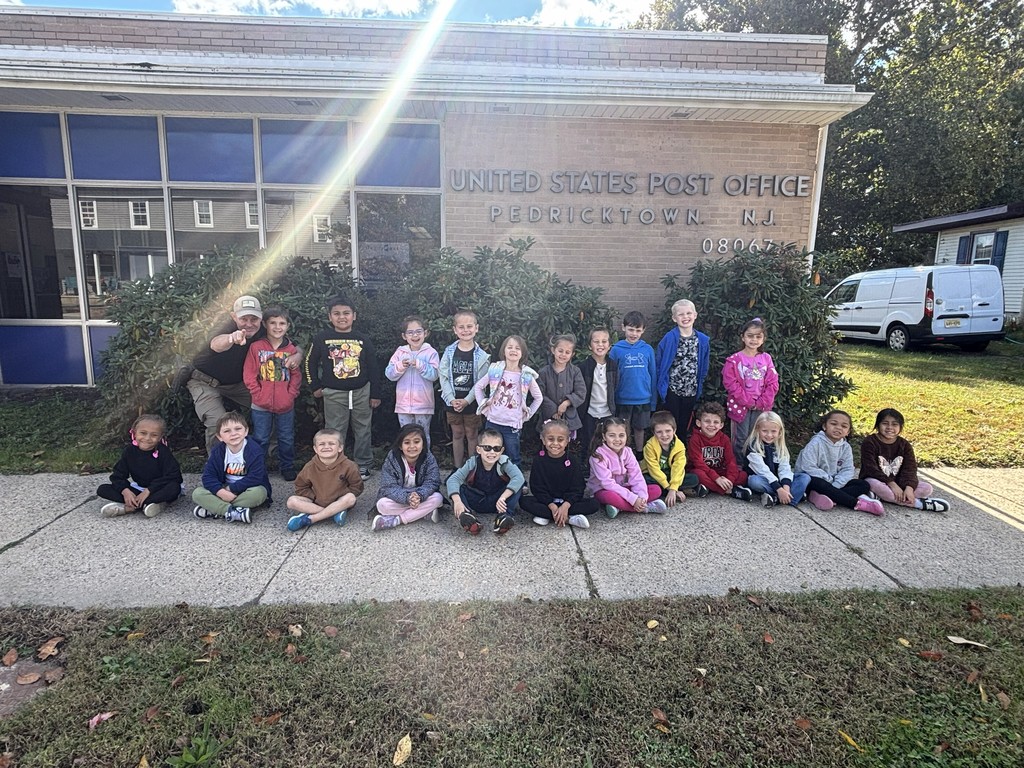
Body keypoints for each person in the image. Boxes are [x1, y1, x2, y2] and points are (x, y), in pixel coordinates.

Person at [187, 295, 302, 451]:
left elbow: (293, 345)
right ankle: (218, 461)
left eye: (253, 319)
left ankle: (270, 453)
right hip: (205, 382)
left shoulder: (264, 329)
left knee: (273, 403)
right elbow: (215, 344)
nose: (248, 324)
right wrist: (231, 338)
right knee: (218, 423)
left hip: (238, 384)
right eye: (243, 319)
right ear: (234, 317)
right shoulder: (223, 326)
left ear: (261, 318)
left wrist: (298, 356)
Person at [304, 295, 381, 480]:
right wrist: (315, 385)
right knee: (335, 431)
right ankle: (334, 465)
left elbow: (373, 367)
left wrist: (375, 393)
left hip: (361, 392)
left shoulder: (362, 339)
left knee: (363, 429)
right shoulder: (322, 338)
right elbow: (309, 362)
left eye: (346, 313)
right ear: (330, 317)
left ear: (354, 316)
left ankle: (363, 465)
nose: (342, 317)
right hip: (334, 393)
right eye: (336, 313)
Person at [243, 306, 301, 481]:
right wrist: (257, 394)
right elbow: (249, 373)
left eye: (282, 323)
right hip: (260, 404)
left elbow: (296, 376)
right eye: (273, 323)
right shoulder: (256, 347)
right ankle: (258, 468)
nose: (277, 327)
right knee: (261, 438)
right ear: (265, 324)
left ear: (288, 326)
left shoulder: (291, 350)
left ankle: (287, 466)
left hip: (286, 404)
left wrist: (291, 395)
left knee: (286, 437)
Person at [795, 409, 885, 515]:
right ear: (824, 426)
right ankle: (856, 503)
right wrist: (829, 480)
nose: (838, 428)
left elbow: (848, 469)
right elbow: (808, 467)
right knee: (819, 483)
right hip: (815, 481)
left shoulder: (846, 447)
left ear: (848, 432)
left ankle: (825, 497)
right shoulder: (815, 443)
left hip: (835, 483)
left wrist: (836, 484)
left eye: (844, 426)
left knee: (863, 485)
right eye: (833, 424)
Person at [859, 408, 950, 512]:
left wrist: (909, 488)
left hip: (899, 482)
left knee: (927, 488)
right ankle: (919, 504)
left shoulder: (904, 445)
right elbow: (871, 469)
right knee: (871, 484)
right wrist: (892, 484)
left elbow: (910, 469)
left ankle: (881, 497)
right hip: (877, 480)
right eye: (885, 423)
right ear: (878, 425)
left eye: (894, 424)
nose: (889, 427)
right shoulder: (870, 442)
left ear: (900, 427)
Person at [473, 335, 542, 466]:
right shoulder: (495, 370)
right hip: (493, 421)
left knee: (513, 457)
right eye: (509, 347)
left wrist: (527, 415)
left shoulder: (526, 375)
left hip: (512, 425)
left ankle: (516, 478)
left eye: (517, 348)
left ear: (522, 353)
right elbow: (478, 387)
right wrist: (483, 406)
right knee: (489, 455)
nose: (513, 350)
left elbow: (538, 397)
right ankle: (492, 477)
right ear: (503, 351)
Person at [98, 414, 183, 518]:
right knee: (102, 489)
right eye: (143, 433)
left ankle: (129, 508)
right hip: (138, 489)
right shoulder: (129, 451)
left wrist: (149, 490)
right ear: (134, 433)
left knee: (174, 488)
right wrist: (125, 491)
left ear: (160, 437)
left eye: (154, 435)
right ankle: (149, 504)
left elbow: (175, 476)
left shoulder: (163, 451)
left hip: (159, 489)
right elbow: (117, 476)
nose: (147, 438)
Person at [192, 412, 271, 523]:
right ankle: (233, 512)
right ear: (220, 437)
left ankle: (215, 509)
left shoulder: (255, 450)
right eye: (227, 431)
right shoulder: (218, 451)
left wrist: (230, 489)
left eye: (238, 429)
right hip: (224, 489)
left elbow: (255, 477)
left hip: (247, 490)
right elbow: (208, 477)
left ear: (246, 431)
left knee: (259, 493)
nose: (233, 434)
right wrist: (220, 492)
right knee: (197, 493)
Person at [520, 419, 599, 528]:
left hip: (568, 502)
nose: (555, 443)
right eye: (550, 439)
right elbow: (537, 488)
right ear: (543, 439)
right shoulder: (539, 460)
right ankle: (568, 519)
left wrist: (566, 505)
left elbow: (578, 488)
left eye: (560, 440)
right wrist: (551, 505)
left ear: (567, 441)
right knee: (524, 501)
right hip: (547, 502)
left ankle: (548, 516)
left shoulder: (572, 460)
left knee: (594, 504)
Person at [446, 428, 525, 535]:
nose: (492, 452)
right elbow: (453, 479)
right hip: (477, 500)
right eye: (487, 448)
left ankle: (505, 517)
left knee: (518, 486)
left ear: (501, 451)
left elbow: (519, 477)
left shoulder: (504, 462)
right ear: (479, 450)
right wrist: (457, 501)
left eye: (496, 448)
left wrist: (503, 497)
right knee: (459, 489)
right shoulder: (472, 463)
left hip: (499, 503)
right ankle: (468, 517)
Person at [586, 416, 668, 517]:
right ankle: (645, 507)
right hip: (602, 490)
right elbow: (607, 484)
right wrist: (633, 499)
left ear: (626, 436)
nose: (617, 439)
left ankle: (620, 507)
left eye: (621, 435)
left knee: (656, 489)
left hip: (623, 487)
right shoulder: (598, 456)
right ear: (604, 436)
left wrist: (642, 497)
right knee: (611, 497)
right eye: (612, 435)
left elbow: (636, 476)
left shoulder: (628, 452)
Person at [439, 310, 490, 468]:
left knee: (472, 434)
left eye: (469, 326)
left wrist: (467, 400)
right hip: (452, 401)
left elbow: (481, 383)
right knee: (457, 434)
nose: (465, 330)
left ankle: (472, 469)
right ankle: (457, 468)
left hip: (472, 402)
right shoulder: (449, 352)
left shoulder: (482, 356)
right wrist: (451, 399)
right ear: (455, 330)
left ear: (476, 328)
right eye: (461, 327)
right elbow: (443, 376)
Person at [723, 318, 779, 462]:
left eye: (758, 336)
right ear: (743, 337)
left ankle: (756, 465)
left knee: (758, 436)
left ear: (763, 339)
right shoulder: (734, 360)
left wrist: (762, 401)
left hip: (761, 407)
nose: (754, 340)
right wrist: (747, 401)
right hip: (740, 406)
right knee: (741, 437)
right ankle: (739, 466)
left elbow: (773, 382)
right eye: (750, 336)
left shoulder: (766, 358)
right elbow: (730, 383)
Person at [286, 428, 363, 531]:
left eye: (331, 443)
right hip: (316, 502)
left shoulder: (349, 466)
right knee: (291, 501)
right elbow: (300, 486)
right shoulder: (310, 467)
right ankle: (333, 513)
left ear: (340, 448)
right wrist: (313, 497)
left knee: (351, 498)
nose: (326, 447)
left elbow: (357, 487)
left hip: (339, 501)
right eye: (322, 444)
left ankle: (311, 519)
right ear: (315, 449)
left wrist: (341, 494)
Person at [655, 299, 710, 441]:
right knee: (671, 422)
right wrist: (662, 386)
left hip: (691, 389)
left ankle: (682, 449)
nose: (685, 317)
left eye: (688, 313)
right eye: (681, 314)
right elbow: (660, 363)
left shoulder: (702, 340)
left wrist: (700, 382)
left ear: (695, 315)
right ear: (674, 318)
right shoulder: (669, 338)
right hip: (672, 389)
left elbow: (704, 364)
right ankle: (668, 448)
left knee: (685, 423)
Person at [372, 424, 444, 531]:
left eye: (416, 442)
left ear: (423, 444)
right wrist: (407, 498)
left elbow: (432, 482)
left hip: (421, 496)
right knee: (382, 505)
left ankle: (396, 520)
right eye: (407, 443)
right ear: (400, 446)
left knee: (438, 498)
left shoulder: (428, 458)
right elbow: (388, 486)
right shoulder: (392, 459)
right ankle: (424, 513)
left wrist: (419, 495)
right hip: (400, 497)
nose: (412, 446)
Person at [384, 315, 440, 449]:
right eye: (410, 332)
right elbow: (389, 374)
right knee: (406, 435)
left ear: (426, 333)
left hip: (423, 404)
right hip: (403, 404)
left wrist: (420, 365)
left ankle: (424, 460)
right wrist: (400, 366)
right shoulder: (400, 352)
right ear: (404, 336)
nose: (415, 335)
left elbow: (435, 375)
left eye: (418, 331)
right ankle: (408, 460)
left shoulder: (431, 352)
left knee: (423, 435)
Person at [609, 311, 657, 453]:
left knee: (640, 428)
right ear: (623, 327)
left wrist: (653, 401)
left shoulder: (647, 349)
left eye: (637, 330)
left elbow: (653, 375)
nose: (634, 334)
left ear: (643, 330)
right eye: (630, 329)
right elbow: (611, 377)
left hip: (643, 398)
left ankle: (640, 454)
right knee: (622, 430)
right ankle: (623, 454)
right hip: (623, 398)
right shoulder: (616, 350)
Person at [686, 401, 753, 500]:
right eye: (707, 421)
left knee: (743, 476)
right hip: (704, 471)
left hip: (720, 471)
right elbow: (698, 463)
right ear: (698, 423)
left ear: (721, 425)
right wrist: (716, 478)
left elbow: (731, 461)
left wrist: (729, 480)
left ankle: (711, 487)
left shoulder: (724, 439)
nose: (711, 425)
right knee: (697, 475)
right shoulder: (695, 439)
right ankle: (730, 491)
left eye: (716, 422)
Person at [743, 411, 810, 508]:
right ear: (757, 429)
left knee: (804, 477)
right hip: (764, 478)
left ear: (780, 431)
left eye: (773, 431)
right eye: (765, 431)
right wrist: (779, 489)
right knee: (754, 481)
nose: (769, 435)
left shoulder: (780, 446)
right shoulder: (753, 446)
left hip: (779, 480)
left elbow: (785, 468)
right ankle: (792, 496)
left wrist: (786, 488)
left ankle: (777, 498)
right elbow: (762, 470)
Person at [642, 410, 701, 508]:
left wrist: (673, 488)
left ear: (674, 430)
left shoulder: (679, 446)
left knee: (694, 479)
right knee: (644, 479)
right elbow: (654, 470)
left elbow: (678, 468)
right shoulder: (649, 447)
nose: (664, 435)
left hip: (671, 474)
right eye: (659, 432)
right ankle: (675, 491)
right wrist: (670, 488)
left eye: (668, 431)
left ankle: (667, 492)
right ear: (653, 432)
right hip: (653, 475)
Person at [579, 327, 618, 462]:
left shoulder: (613, 365)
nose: (600, 345)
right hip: (589, 412)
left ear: (609, 345)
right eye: (596, 342)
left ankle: (606, 467)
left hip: (608, 411)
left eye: (604, 341)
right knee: (588, 442)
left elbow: (615, 386)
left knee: (607, 443)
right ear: (590, 345)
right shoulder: (584, 367)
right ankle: (587, 467)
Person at [536, 333, 586, 436]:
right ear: (553, 350)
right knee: (549, 440)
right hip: (548, 418)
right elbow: (539, 394)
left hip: (569, 419)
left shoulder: (575, 372)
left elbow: (581, 392)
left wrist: (567, 403)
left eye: (567, 352)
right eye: (560, 351)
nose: (563, 354)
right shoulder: (543, 372)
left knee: (567, 442)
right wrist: (553, 410)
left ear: (572, 354)